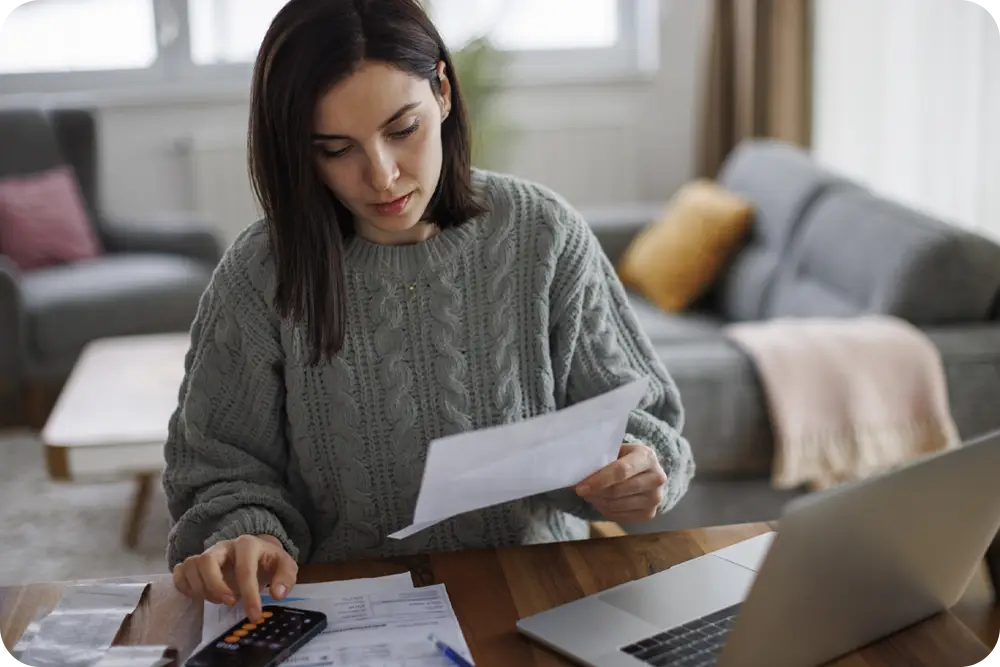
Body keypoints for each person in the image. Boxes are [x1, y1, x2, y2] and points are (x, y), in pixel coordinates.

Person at [164, 0, 695, 622]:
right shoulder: (262, 272)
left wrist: (640, 468)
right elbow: (219, 467)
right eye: (336, 149)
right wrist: (247, 534)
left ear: (442, 91)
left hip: (538, 597)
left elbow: (648, 420)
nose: (382, 176)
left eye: (402, 130)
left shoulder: (543, 233)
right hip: (349, 612)